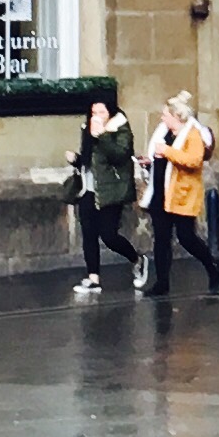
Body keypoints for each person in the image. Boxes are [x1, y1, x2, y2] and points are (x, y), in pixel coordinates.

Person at [141, 91, 219, 297]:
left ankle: (211, 265)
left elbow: (193, 161)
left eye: (165, 114)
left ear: (177, 116)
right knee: (161, 238)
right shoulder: (164, 133)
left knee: (186, 237)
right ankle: (162, 282)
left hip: (181, 194)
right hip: (160, 192)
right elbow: (160, 156)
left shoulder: (192, 134)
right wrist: (150, 160)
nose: (162, 118)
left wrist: (167, 152)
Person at [67, 93, 136, 296]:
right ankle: (93, 278)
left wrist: (102, 136)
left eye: (101, 112)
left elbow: (120, 155)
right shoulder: (86, 128)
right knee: (88, 234)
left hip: (111, 189)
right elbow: (91, 160)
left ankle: (137, 259)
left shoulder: (120, 128)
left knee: (109, 236)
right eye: (93, 112)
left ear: (110, 113)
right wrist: (76, 159)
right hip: (88, 188)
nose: (96, 116)